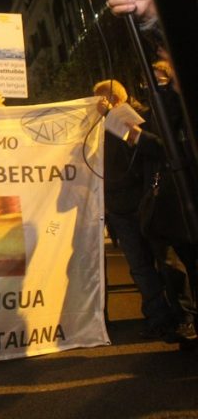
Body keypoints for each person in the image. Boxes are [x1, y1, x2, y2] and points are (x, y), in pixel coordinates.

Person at [94, 78, 196, 342]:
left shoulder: (145, 118)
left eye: (102, 99)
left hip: (148, 203)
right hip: (119, 208)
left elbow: (160, 149)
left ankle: (183, 317)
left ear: (115, 99)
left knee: (166, 261)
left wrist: (120, 123)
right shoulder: (97, 128)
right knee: (140, 267)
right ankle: (158, 318)